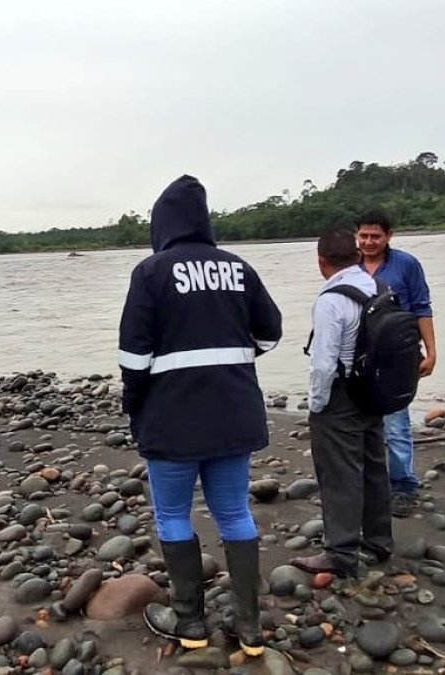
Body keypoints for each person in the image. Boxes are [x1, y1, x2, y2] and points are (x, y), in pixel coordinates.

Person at [119, 175, 282, 656]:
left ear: (162, 223)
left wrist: (136, 402)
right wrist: (228, 359)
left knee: (173, 514)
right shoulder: (238, 269)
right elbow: (270, 335)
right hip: (234, 415)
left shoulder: (150, 272)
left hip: (171, 419)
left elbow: (133, 356)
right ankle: (249, 630)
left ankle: (190, 622)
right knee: (234, 511)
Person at [290, 226, 395, 578]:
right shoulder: (379, 287)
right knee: (374, 467)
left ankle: (341, 552)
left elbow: (323, 362)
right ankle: (379, 541)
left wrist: (317, 405)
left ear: (321, 262)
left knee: (339, 475)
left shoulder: (331, 299)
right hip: (375, 391)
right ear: (356, 255)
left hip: (341, 395)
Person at [356, 209, 436, 517]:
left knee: (396, 423)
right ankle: (370, 483)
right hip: (360, 359)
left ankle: (404, 485)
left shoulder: (406, 265)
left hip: (397, 359)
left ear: (389, 235)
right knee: (360, 422)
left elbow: (422, 308)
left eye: (375, 236)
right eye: (363, 235)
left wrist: (431, 351)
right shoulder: (350, 265)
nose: (369, 241)